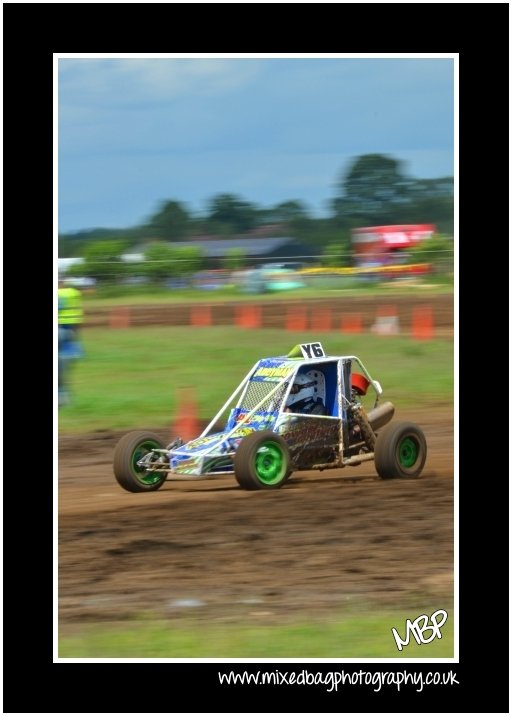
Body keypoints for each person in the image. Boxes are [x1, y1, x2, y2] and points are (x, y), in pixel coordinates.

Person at [58, 277, 84, 406]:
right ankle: (75, 354)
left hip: (61, 323)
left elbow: (59, 307)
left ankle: (61, 395)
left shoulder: (58, 294)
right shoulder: (74, 292)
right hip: (73, 321)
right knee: (71, 342)